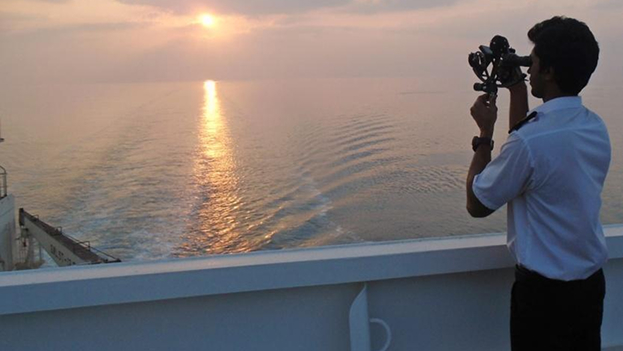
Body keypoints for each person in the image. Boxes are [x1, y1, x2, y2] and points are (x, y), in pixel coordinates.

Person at [465, 16, 610, 350]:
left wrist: (484, 133)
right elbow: (530, 148)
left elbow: (477, 203)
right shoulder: (595, 128)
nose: (529, 69)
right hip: (589, 290)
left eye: (534, 62)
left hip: (543, 300)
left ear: (549, 72)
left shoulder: (532, 142)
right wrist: (517, 88)